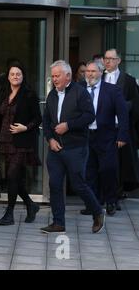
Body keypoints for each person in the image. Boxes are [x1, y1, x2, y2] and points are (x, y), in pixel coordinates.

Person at [42, 60, 105, 234]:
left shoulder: (80, 92)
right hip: (55, 149)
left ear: (68, 76)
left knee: (78, 184)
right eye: (53, 76)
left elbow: (89, 116)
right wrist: (49, 139)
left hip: (75, 147)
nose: (54, 79)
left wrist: (69, 125)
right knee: (54, 184)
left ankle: (97, 211)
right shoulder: (52, 95)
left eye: (57, 76)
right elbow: (46, 120)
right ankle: (58, 223)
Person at [0, 61, 42, 226]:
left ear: (23, 76)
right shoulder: (3, 93)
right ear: (8, 76)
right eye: (12, 74)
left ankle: (9, 213)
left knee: (13, 175)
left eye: (18, 74)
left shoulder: (29, 95)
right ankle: (30, 204)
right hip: (4, 141)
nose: (15, 77)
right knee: (13, 178)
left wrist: (25, 127)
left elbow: (38, 118)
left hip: (21, 142)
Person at [80, 60, 129, 216]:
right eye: (88, 71)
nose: (90, 74)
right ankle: (93, 205)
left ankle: (111, 201)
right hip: (86, 136)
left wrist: (122, 135)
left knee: (108, 169)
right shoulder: (79, 89)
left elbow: (122, 114)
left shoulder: (112, 90)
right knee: (89, 171)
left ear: (101, 72)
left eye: (93, 71)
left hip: (106, 136)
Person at [103, 49, 139, 208]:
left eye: (111, 58)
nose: (108, 61)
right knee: (102, 163)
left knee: (117, 164)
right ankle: (102, 196)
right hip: (101, 128)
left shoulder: (128, 80)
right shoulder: (99, 77)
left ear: (118, 61)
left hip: (119, 128)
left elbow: (136, 103)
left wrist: (125, 106)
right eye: (106, 58)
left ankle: (114, 197)